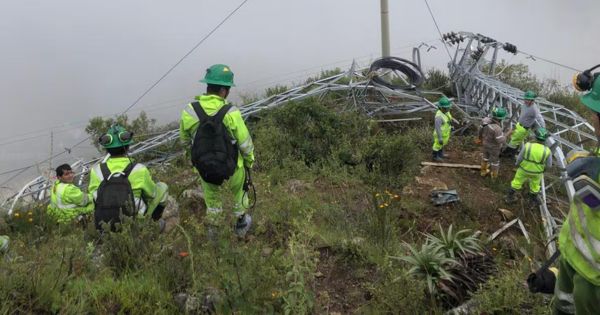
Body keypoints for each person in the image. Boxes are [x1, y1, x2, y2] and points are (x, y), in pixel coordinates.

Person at [179, 64, 255, 237]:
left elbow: (184, 142)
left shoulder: (189, 111)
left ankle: (215, 240)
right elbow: (245, 143)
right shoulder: (231, 113)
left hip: (205, 169)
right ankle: (240, 233)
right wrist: (249, 162)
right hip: (233, 168)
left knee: (213, 204)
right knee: (239, 200)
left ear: (207, 86)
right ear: (223, 90)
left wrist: (195, 163)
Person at [553, 67, 600, 314]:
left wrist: (593, 195)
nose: (592, 120)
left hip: (594, 283)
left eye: (595, 114)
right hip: (572, 261)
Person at [88, 125, 169, 230]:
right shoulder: (139, 169)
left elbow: (94, 198)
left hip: (106, 221)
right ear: (127, 147)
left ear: (107, 149)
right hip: (135, 218)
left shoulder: (96, 171)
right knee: (162, 187)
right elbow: (152, 194)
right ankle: (153, 224)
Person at [505, 128, 551, 205]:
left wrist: (517, 164)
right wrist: (543, 170)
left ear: (535, 137)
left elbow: (520, 158)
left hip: (524, 169)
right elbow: (549, 165)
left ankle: (509, 197)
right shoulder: (547, 150)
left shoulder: (528, 146)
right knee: (535, 185)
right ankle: (532, 201)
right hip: (537, 172)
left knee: (517, 182)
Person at [503, 90, 545, 156]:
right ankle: (512, 153)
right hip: (519, 125)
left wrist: (543, 129)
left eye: (528, 100)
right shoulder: (524, 104)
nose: (525, 101)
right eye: (525, 99)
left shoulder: (534, 109)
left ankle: (506, 153)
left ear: (532, 100)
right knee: (514, 140)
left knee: (514, 141)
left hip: (524, 128)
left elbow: (540, 119)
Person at [479, 107, 507, 179]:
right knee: (495, 162)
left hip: (485, 143)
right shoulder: (497, 128)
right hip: (494, 147)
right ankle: (494, 176)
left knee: (485, 158)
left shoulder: (485, 120)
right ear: (500, 118)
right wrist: (507, 134)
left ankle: (483, 172)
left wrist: (480, 138)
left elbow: (480, 130)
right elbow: (500, 141)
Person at [432, 96, 453, 162]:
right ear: (441, 107)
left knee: (442, 144)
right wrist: (440, 137)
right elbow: (437, 128)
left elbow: (448, 120)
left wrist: (451, 126)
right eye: (445, 108)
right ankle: (435, 156)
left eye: (448, 108)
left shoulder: (446, 112)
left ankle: (441, 154)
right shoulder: (439, 117)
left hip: (445, 133)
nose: (447, 109)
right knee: (437, 145)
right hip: (440, 134)